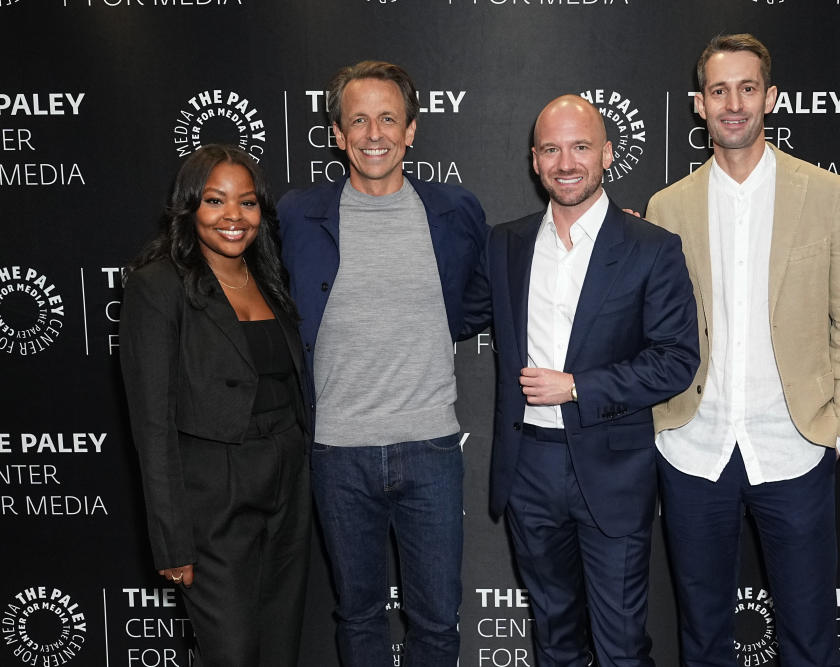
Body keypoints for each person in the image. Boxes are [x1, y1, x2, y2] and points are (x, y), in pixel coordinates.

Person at [645, 34, 840, 667]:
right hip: (694, 450)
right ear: (700, 104)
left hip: (795, 447)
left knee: (808, 640)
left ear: (770, 97)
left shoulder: (827, 194)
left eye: (747, 88)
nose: (734, 103)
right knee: (704, 640)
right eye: (719, 91)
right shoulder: (668, 209)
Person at [473, 94, 700, 666]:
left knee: (622, 646)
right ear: (534, 159)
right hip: (529, 467)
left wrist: (577, 385)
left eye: (580, 147)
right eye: (551, 149)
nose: (566, 162)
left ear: (607, 154)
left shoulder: (652, 247)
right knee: (554, 641)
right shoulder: (506, 243)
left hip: (612, 470)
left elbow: (676, 360)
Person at [277, 61, 487, 666]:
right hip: (338, 450)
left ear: (412, 130)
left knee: (437, 622)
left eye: (389, 118)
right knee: (358, 615)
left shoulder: (454, 211)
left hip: (431, 449)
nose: (375, 133)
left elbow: (477, 299)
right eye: (359, 120)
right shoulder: (297, 215)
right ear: (338, 135)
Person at [120, 144, 310, 667]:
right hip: (213, 493)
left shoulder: (272, 278)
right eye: (215, 200)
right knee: (232, 653)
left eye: (247, 203)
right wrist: (171, 542)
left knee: (279, 649)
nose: (233, 217)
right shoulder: (158, 285)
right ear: (189, 207)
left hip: (288, 483)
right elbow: (151, 423)